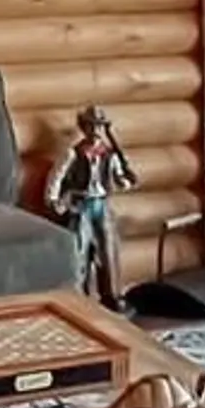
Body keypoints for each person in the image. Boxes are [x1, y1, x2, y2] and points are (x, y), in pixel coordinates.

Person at [45, 105, 138, 304]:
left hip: (101, 205)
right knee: (80, 251)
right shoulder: (73, 154)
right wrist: (53, 200)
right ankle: (80, 298)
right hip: (81, 205)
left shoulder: (109, 155)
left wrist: (125, 180)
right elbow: (57, 177)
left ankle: (111, 296)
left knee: (108, 250)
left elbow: (120, 177)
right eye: (91, 126)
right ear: (84, 127)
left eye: (99, 126)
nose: (95, 130)